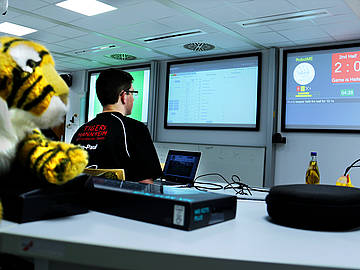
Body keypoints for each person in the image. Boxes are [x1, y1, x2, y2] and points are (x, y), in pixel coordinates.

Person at [71, 68, 162, 184]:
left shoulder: (81, 131)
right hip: (122, 201)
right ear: (124, 96)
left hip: (81, 201)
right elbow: (146, 183)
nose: (133, 99)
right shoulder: (135, 129)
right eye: (133, 93)